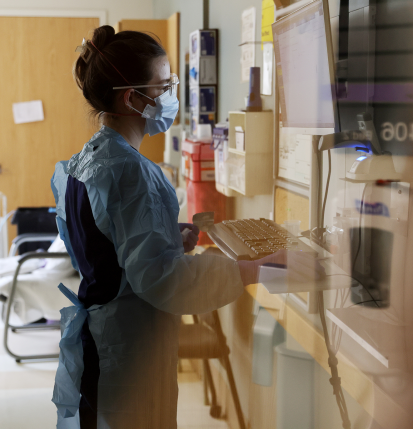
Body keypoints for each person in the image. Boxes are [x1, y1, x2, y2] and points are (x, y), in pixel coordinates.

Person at [51, 27, 320, 429]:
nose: (172, 95)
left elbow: (100, 245)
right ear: (132, 98)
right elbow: (165, 282)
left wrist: (165, 236)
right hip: (130, 351)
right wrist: (256, 268)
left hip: (104, 338)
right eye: (165, 85)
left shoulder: (89, 159)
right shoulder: (132, 172)